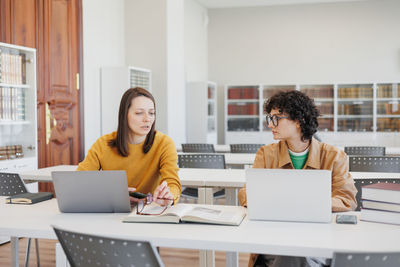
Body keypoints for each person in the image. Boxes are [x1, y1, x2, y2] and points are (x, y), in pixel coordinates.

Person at [238, 90, 357, 267]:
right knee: (291, 253)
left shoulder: (334, 156)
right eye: (269, 119)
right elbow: (247, 193)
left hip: (319, 238)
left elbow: (346, 200)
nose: (270, 125)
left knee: (295, 254)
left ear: (299, 120)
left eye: (276, 118)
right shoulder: (266, 154)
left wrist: (298, 203)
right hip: (276, 236)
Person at [77, 87, 181, 206]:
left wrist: (169, 197)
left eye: (151, 113)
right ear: (124, 115)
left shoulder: (164, 143)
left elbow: (173, 183)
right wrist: (111, 194)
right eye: (139, 113)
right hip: (112, 210)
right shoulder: (103, 144)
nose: (147, 119)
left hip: (149, 210)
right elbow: (80, 182)